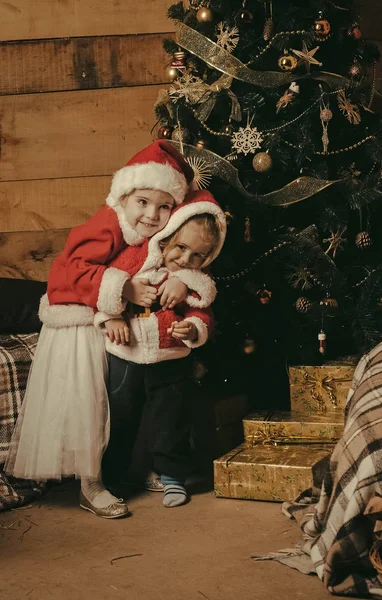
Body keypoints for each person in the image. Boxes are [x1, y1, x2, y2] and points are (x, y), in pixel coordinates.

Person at [4, 140, 208, 519]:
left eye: (165, 206)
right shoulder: (108, 223)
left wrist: (184, 280)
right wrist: (124, 290)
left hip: (106, 315)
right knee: (91, 402)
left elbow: (185, 242)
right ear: (124, 196)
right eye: (143, 202)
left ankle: (128, 469)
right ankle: (91, 485)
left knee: (122, 399)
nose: (152, 214)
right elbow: (71, 272)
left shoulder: (147, 232)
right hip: (78, 319)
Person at [95, 189, 226, 509]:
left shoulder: (194, 280)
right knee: (120, 419)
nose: (186, 260)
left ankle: (172, 477)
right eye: (181, 248)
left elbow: (202, 311)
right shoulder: (135, 260)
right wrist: (110, 318)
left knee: (171, 421)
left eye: (198, 256)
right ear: (167, 237)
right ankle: (112, 478)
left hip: (171, 357)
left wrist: (193, 328)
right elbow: (107, 289)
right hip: (127, 354)